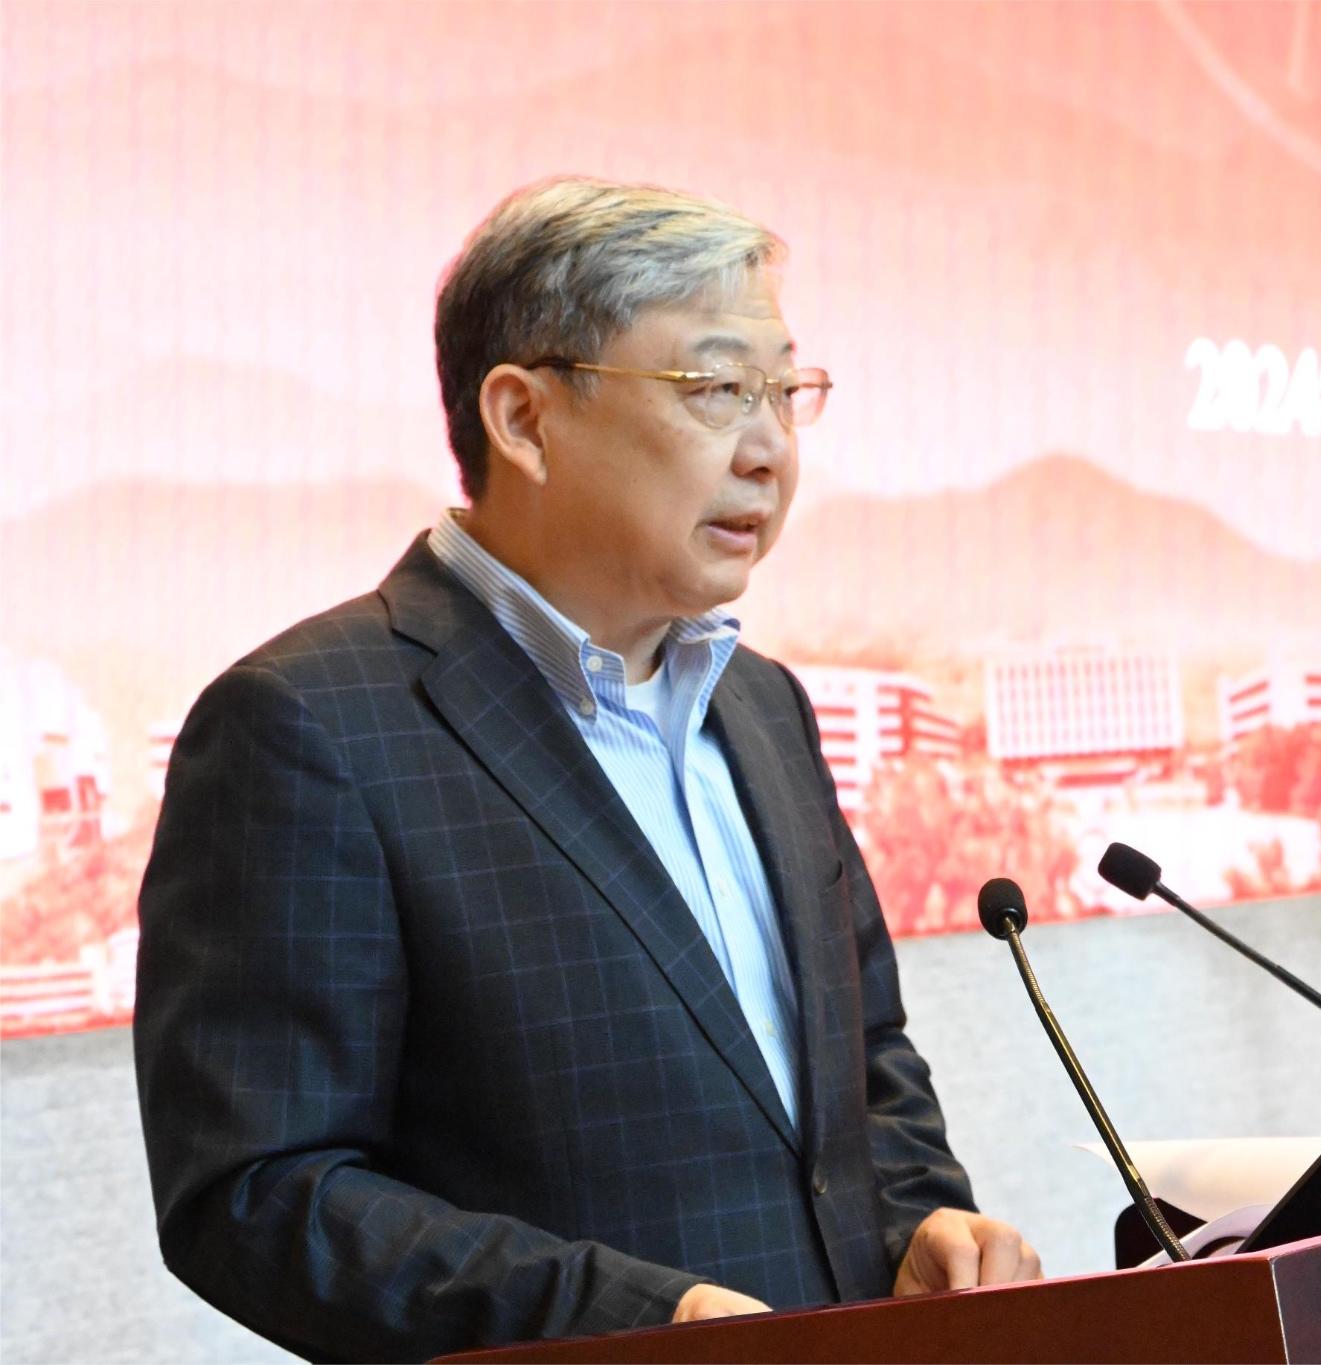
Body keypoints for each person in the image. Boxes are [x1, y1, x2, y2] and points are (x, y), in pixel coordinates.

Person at [132, 177, 1038, 1361]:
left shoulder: (761, 705)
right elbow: (257, 1194)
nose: (769, 451)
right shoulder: (306, 726)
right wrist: (639, 1324)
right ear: (523, 418)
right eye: (715, 388)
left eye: (785, 392)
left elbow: (864, 1065)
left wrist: (920, 1223)